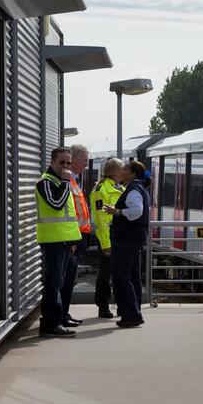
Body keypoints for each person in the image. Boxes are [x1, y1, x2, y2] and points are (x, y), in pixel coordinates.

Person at [36, 148, 83, 338]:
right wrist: (65, 182)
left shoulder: (61, 182)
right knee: (53, 283)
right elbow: (56, 204)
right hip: (53, 241)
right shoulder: (45, 182)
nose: (65, 167)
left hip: (64, 240)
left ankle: (60, 318)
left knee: (60, 282)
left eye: (68, 163)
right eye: (62, 162)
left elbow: (68, 214)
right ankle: (49, 324)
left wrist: (72, 239)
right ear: (52, 162)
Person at [104, 161, 150, 328]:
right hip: (134, 237)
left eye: (125, 170)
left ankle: (131, 314)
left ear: (132, 174)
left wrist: (116, 211)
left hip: (127, 238)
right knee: (132, 276)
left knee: (121, 276)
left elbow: (136, 211)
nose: (122, 172)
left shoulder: (133, 190)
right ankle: (133, 310)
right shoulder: (139, 188)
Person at [60, 144, 94, 328]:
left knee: (69, 278)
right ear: (74, 159)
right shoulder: (67, 180)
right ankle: (61, 315)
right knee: (65, 279)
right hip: (71, 236)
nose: (86, 165)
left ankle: (64, 313)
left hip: (77, 235)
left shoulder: (74, 180)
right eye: (85, 160)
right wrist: (72, 238)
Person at [91, 158, 125, 319]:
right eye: (122, 170)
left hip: (118, 234)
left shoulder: (120, 187)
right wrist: (105, 244)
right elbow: (101, 219)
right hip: (108, 235)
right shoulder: (101, 190)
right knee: (106, 272)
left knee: (118, 271)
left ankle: (120, 304)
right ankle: (103, 306)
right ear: (116, 172)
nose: (124, 173)